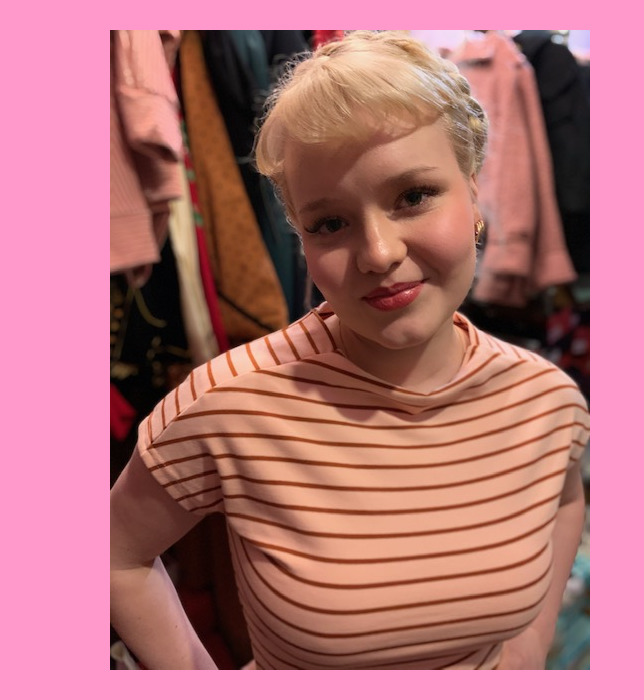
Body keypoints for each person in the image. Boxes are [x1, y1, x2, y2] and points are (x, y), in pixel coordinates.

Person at [110, 30, 590, 670]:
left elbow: (565, 499)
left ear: (474, 190)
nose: (379, 253)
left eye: (412, 197)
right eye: (330, 223)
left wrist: (526, 653)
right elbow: (114, 554)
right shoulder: (228, 401)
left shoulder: (546, 400)